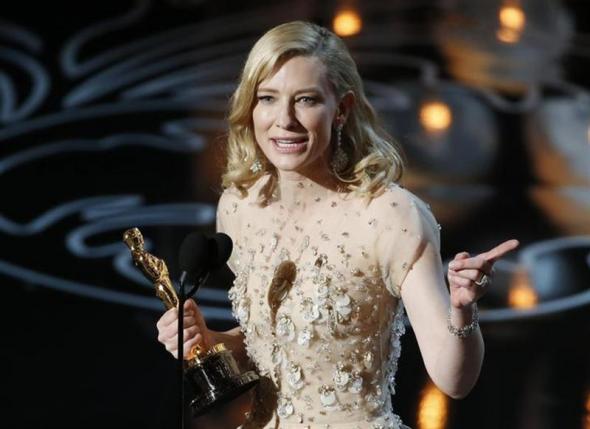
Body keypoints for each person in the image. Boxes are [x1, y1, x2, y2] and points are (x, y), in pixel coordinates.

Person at [156, 21, 519, 429]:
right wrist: (212, 343)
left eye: (306, 100)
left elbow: (454, 380)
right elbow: (277, 343)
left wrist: (462, 310)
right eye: (268, 98)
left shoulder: (390, 215)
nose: (284, 120)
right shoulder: (241, 207)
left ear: (342, 109)